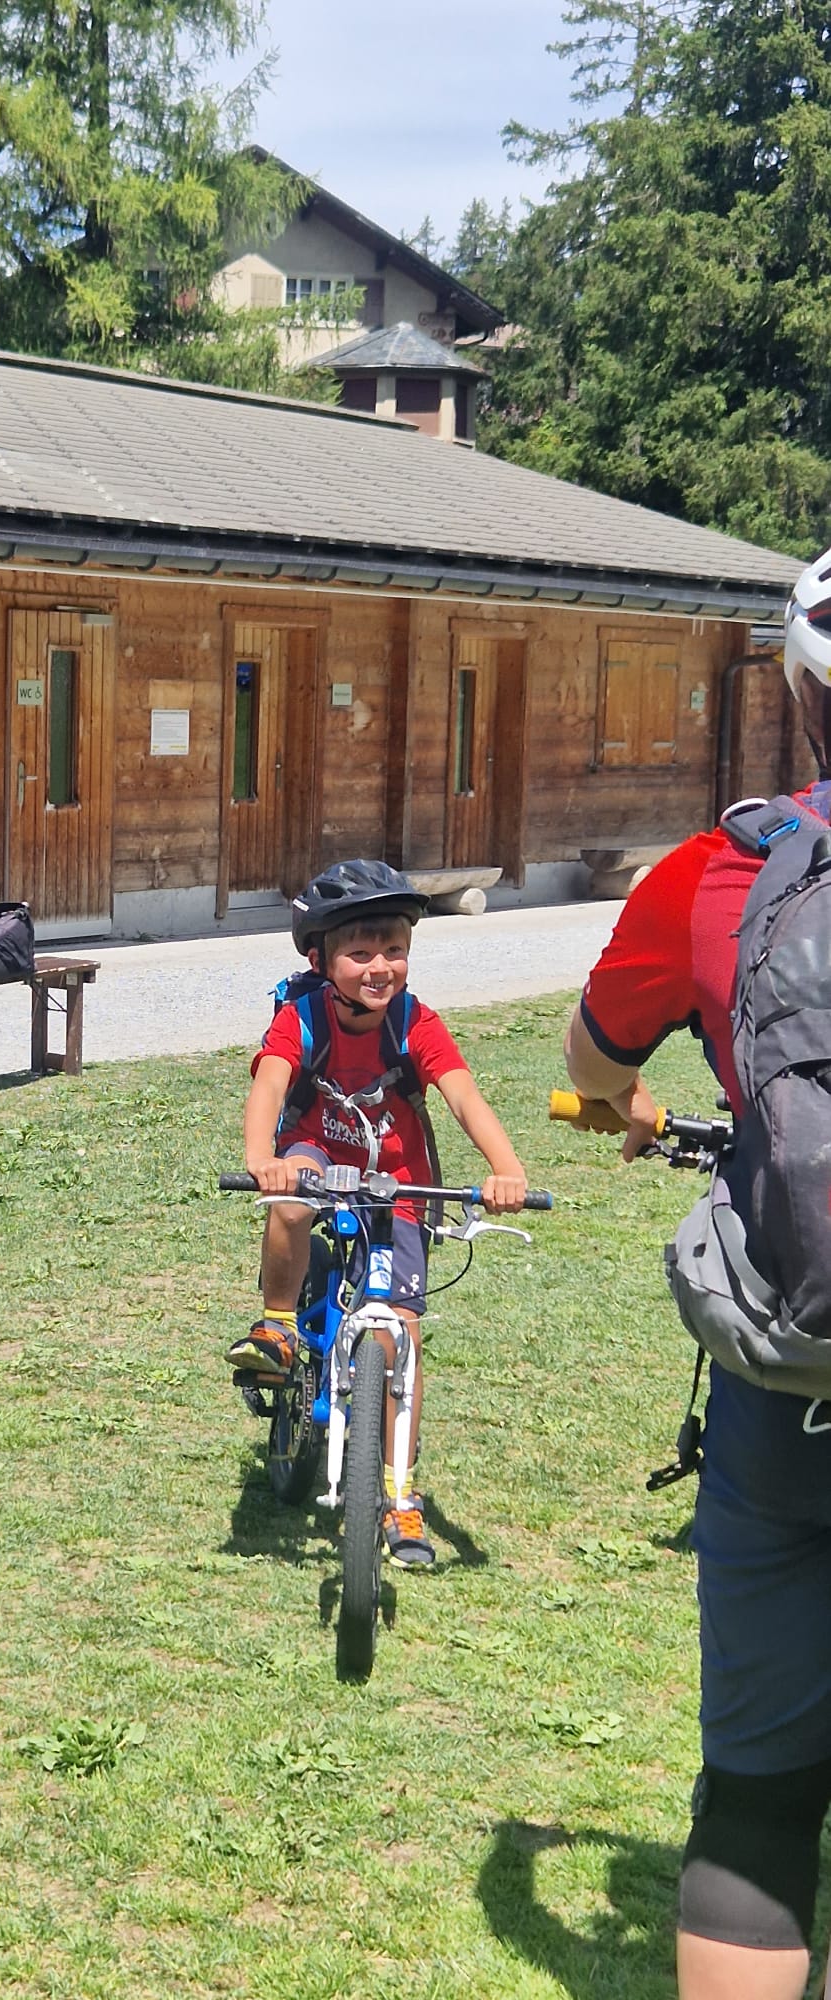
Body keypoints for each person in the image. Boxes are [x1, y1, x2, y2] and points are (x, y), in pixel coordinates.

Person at [563, 546, 831, 2000]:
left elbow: (596, 1057)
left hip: (790, 1375)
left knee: (761, 1798)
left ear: (797, 693)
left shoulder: (716, 871)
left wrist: (626, 1105)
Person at [232, 860, 530, 1569]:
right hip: (316, 1154)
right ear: (321, 958)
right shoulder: (300, 1018)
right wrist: (260, 1157)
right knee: (291, 1198)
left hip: (399, 1182)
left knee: (404, 1332)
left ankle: (400, 1493)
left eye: (393, 949)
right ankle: (277, 1326)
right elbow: (269, 1090)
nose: (380, 966)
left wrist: (506, 1169)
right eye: (360, 952)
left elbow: (464, 1099)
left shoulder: (415, 1023)